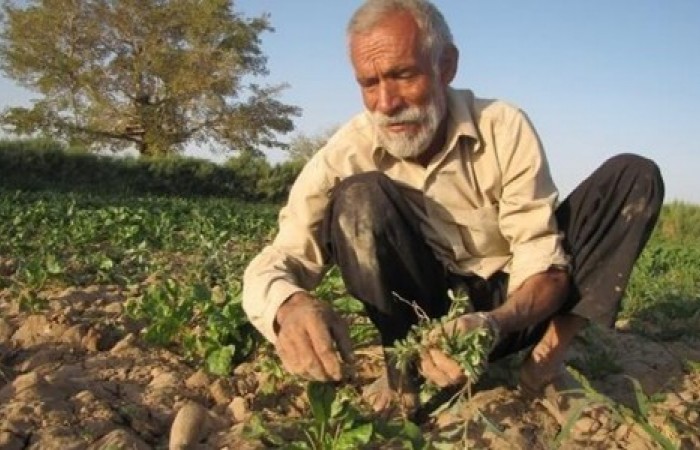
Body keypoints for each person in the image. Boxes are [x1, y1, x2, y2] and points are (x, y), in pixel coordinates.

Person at [242, 0, 664, 426]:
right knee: (359, 198)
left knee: (634, 177)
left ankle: (546, 362)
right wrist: (289, 305)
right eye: (369, 84)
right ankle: (401, 373)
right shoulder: (346, 153)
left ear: (446, 65)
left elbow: (544, 262)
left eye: (403, 75)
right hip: (422, 319)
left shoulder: (503, 126)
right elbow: (280, 258)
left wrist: (493, 323)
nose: (385, 103)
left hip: (506, 311)